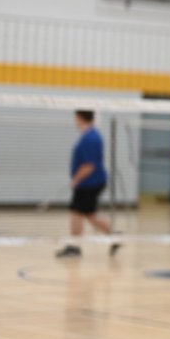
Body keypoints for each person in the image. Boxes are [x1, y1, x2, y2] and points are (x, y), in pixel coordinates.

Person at [56, 110, 120, 258]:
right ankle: (115, 236)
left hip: (89, 183)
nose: (75, 121)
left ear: (80, 118)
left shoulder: (90, 138)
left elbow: (89, 165)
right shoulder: (90, 135)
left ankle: (74, 247)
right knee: (89, 214)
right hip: (91, 182)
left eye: (76, 118)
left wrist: (75, 180)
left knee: (76, 211)